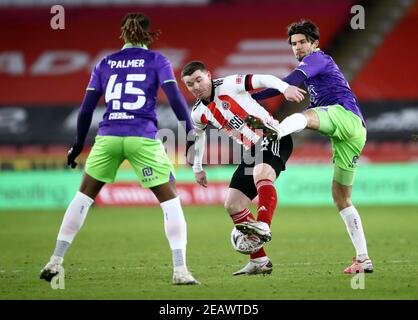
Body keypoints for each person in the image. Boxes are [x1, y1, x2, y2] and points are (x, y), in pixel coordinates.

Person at [40, 13, 200, 285]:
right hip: (142, 136)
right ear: (150, 36)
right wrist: (190, 132)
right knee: (170, 200)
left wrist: (78, 145)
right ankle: (180, 271)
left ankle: (54, 261)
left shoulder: (105, 62)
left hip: (108, 136)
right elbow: (174, 97)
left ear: (123, 35)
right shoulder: (157, 60)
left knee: (83, 198)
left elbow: (87, 109)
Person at [248, 20, 373, 274]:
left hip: (344, 116)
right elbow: (288, 85)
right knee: (341, 197)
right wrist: (255, 97)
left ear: (314, 43)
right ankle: (363, 260)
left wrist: (251, 97)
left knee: (307, 115)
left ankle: (277, 132)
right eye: (294, 44)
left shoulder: (318, 59)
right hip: (354, 133)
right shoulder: (314, 65)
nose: (298, 47)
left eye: (302, 42)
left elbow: (290, 80)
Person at [181, 61, 306, 275]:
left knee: (261, 174)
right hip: (252, 151)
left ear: (209, 75)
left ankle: (264, 225)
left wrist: (285, 88)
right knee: (232, 204)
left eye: (199, 80)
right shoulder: (197, 113)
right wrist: (198, 167)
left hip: (273, 135)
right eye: (190, 84)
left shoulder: (230, 84)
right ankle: (259, 261)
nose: (196, 87)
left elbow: (262, 79)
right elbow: (198, 136)